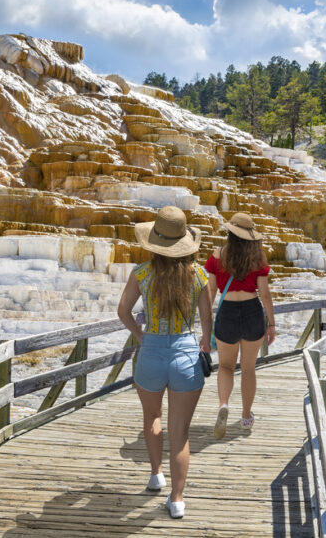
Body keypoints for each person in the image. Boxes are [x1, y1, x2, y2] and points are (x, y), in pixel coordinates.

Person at [116, 205, 212, 520]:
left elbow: (123, 312)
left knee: (152, 417)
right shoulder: (199, 274)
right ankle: (177, 499)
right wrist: (205, 343)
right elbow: (207, 319)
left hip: (152, 352)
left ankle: (156, 473)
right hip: (186, 351)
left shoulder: (142, 273)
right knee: (180, 433)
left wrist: (140, 335)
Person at [204, 212, 276, 438]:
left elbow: (211, 290)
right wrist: (271, 323)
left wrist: (207, 322)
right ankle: (246, 416)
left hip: (227, 311)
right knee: (248, 368)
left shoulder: (218, 255)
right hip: (252, 311)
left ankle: (223, 404)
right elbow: (264, 294)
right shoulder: (258, 259)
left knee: (225, 367)